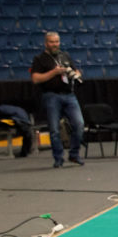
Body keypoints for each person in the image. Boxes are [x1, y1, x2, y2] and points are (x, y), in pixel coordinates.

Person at [30, 32, 85, 168]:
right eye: (51, 42)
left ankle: (74, 154)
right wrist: (54, 72)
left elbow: (76, 70)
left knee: (79, 125)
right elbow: (35, 79)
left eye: (57, 42)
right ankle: (58, 158)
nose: (55, 44)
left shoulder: (64, 55)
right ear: (46, 43)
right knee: (54, 129)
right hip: (51, 96)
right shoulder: (39, 59)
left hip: (69, 95)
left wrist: (76, 74)